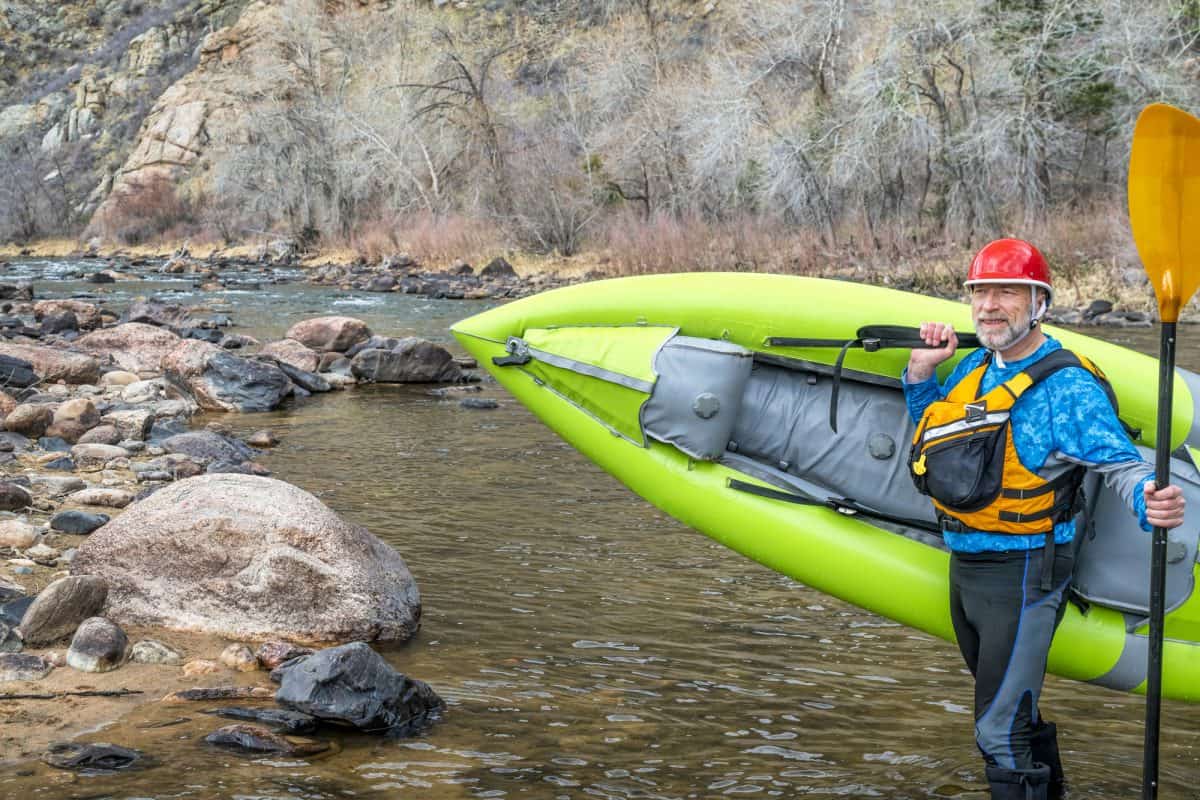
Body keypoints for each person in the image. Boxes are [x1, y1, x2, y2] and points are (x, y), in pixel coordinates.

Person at [903, 238, 1187, 800]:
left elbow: (1122, 466)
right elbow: (941, 448)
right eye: (981, 292)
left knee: (999, 731)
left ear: (1040, 303)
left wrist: (1151, 499)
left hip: (1025, 573)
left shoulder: (1068, 386)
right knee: (1015, 719)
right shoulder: (973, 366)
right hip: (967, 569)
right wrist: (920, 376)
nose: (989, 305)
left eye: (1007, 292)